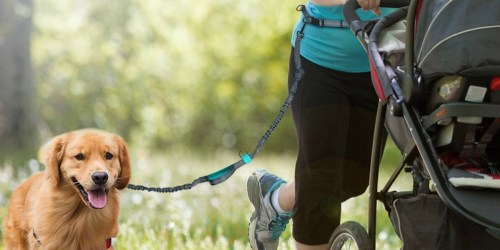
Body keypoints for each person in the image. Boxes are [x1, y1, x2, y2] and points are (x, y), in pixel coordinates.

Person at [247, 0, 391, 249]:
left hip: (384, 63)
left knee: (355, 177)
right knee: (320, 181)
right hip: (321, 64)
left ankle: (275, 199)